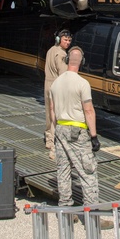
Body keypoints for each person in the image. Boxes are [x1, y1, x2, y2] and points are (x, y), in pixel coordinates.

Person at [48, 46, 100, 207]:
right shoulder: (82, 83)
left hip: (60, 129)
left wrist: (56, 129)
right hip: (77, 131)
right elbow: (89, 110)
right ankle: (92, 210)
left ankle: (65, 208)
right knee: (87, 171)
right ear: (82, 62)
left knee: (63, 170)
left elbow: (52, 111)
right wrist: (93, 136)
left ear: (66, 60)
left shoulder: (55, 84)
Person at [44, 30, 73, 156]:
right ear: (58, 39)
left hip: (47, 83)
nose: (68, 43)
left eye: (69, 41)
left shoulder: (51, 50)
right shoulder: (61, 54)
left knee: (48, 114)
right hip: (57, 85)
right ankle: (54, 141)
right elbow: (63, 74)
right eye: (65, 40)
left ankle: (49, 139)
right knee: (56, 115)